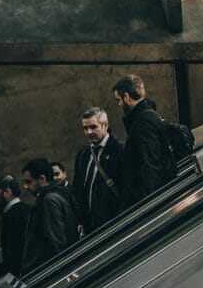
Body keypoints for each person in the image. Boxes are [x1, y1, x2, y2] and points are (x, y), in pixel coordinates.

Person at [113, 75, 173, 209]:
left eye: (119, 100)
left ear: (126, 97)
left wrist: (150, 206)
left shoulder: (143, 122)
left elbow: (150, 165)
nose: (119, 104)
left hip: (144, 200)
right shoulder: (149, 115)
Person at [20, 158, 79, 275]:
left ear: (42, 179)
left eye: (28, 182)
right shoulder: (58, 194)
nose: (25, 187)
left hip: (49, 271)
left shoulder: (49, 200)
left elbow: (57, 241)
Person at [73, 106, 124, 234]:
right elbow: (77, 189)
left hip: (113, 223)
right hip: (89, 227)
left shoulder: (120, 150)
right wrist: (80, 221)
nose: (88, 132)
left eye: (93, 127)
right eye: (85, 128)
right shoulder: (83, 155)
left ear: (105, 126)